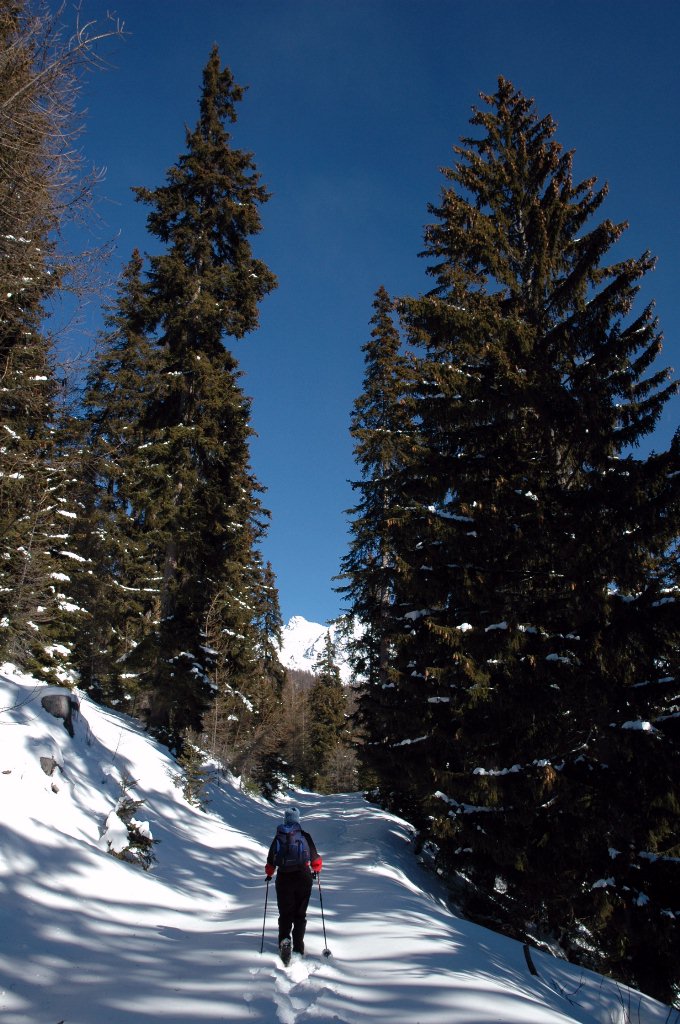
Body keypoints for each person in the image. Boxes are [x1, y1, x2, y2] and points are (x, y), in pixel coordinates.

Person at [265, 806, 322, 961]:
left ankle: (285, 940)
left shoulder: (279, 837)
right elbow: (316, 860)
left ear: (285, 819)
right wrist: (316, 869)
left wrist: (269, 874)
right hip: (303, 877)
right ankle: (298, 946)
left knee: (285, 913)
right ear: (297, 820)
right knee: (300, 913)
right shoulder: (304, 836)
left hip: (284, 877)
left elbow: (271, 862)